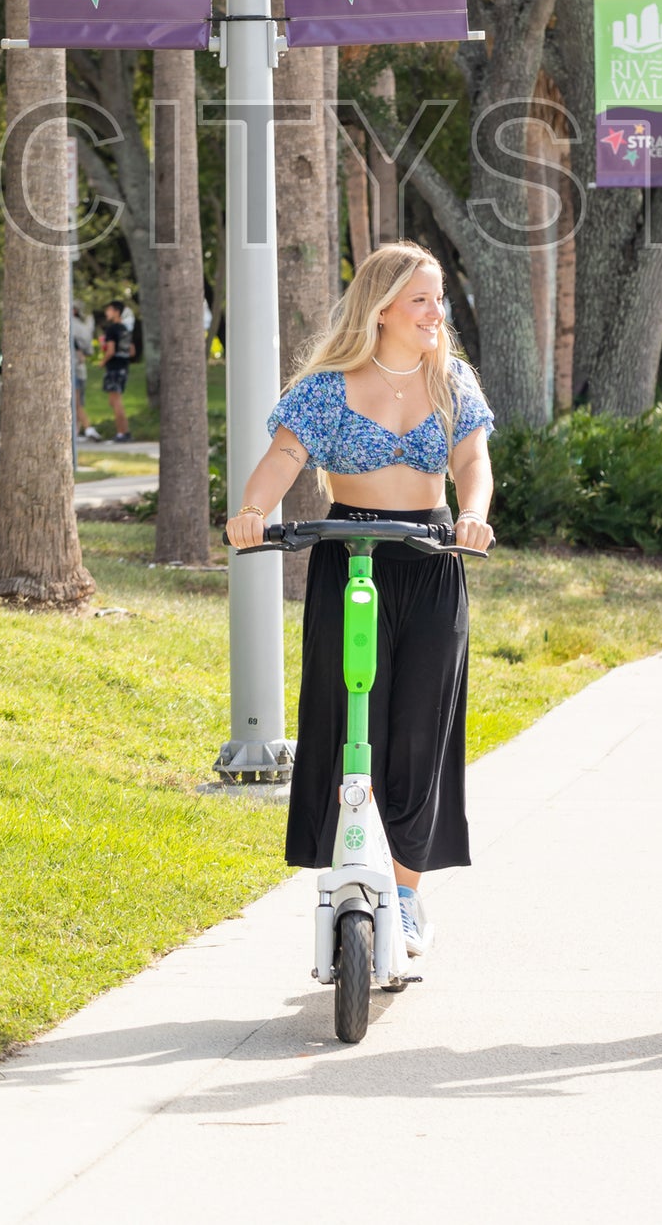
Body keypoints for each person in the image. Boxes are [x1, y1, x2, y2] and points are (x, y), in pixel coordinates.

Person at [225, 242, 494, 957]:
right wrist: (254, 509)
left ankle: (404, 896)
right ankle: (354, 864)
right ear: (381, 309)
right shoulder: (326, 387)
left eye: (438, 299)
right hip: (350, 557)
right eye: (422, 301)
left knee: (418, 732)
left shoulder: (452, 381)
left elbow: (472, 460)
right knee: (353, 723)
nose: (437, 313)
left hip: (433, 561)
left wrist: (473, 513)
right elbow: (286, 456)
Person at [99, 300, 134, 441]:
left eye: (109, 310)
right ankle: (125, 431)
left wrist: (102, 362)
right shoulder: (125, 329)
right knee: (114, 401)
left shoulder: (112, 329)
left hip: (114, 368)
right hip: (124, 367)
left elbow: (111, 351)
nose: (107, 313)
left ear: (116, 312)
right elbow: (132, 351)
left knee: (115, 401)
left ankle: (122, 433)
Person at [71, 302, 99, 441]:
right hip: (81, 370)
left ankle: (89, 429)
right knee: (78, 402)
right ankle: (75, 432)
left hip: (72, 369)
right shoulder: (84, 327)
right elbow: (89, 350)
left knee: (74, 403)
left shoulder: (69, 325)